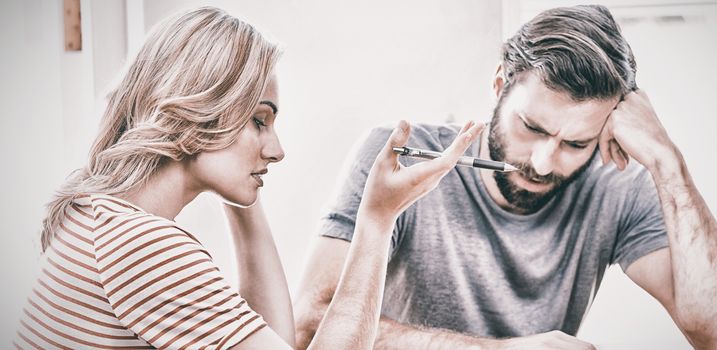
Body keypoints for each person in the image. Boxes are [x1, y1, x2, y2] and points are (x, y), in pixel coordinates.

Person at [13, 7, 484, 349]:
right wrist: (378, 221)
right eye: (259, 120)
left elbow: (272, 338)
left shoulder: (97, 212)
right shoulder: (144, 246)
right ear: (199, 106)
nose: (277, 150)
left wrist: (239, 187)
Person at [295, 5, 717, 349]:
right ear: (499, 85)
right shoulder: (401, 157)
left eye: (576, 144)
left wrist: (669, 163)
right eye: (531, 128)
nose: (545, 163)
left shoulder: (615, 183)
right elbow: (311, 322)